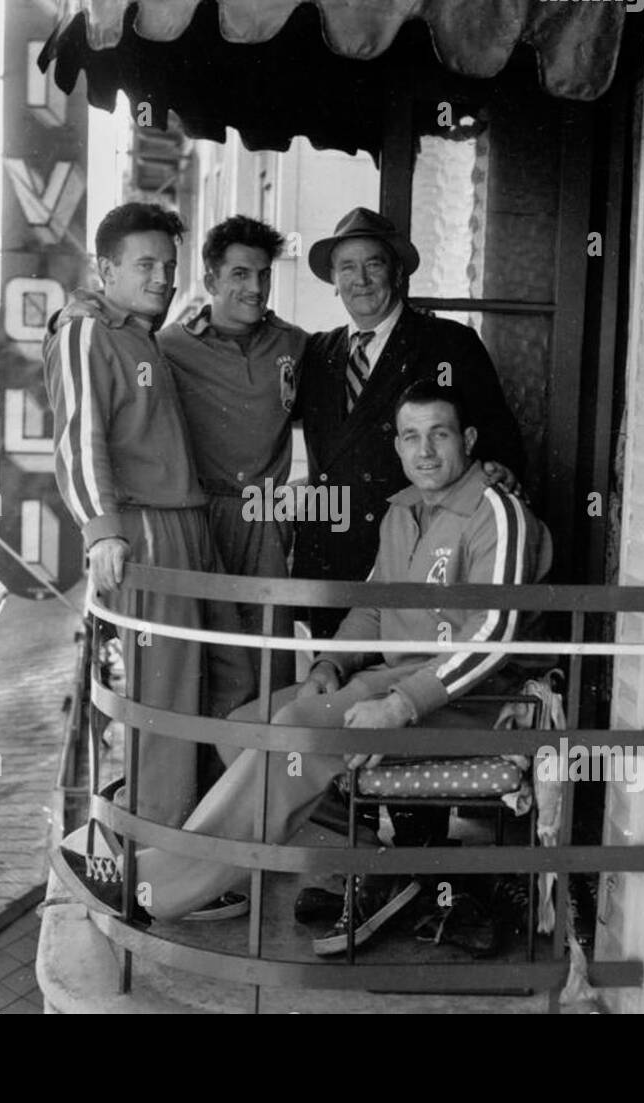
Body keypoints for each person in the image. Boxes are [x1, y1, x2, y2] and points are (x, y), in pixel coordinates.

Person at [52, 380, 553, 954]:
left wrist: (400, 704)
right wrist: (330, 663)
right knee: (242, 730)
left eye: (439, 434)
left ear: (466, 438)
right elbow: (373, 606)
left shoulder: (496, 512)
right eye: (411, 436)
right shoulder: (405, 513)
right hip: (392, 682)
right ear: (398, 446)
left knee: (295, 735)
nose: (426, 451)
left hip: (472, 702)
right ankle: (379, 865)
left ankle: (151, 889)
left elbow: (495, 635)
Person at [293, 206, 531, 852]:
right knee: (338, 734)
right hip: (343, 571)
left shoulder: (450, 344)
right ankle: (364, 860)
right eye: (347, 267)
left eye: (374, 264)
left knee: (402, 723)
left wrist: (495, 489)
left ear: (396, 271)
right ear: (332, 279)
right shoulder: (317, 354)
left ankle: (418, 870)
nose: (361, 279)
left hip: (425, 571)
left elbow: (499, 452)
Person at [42, 202, 255, 919]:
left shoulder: (142, 336)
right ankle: (157, 883)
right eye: (146, 265)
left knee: (230, 685)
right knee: (165, 709)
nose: (162, 277)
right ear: (104, 270)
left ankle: (203, 853)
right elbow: (77, 438)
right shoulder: (85, 332)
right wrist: (102, 529)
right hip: (146, 535)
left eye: (169, 265)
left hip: (190, 529)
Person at [157, 215, 307, 688]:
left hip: (265, 519)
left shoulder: (295, 344)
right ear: (211, 281)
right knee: (204, 659)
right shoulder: (169, 346)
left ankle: (262, 764)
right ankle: (206, 765)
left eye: (264, 274)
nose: (256, 287)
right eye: (240, 274)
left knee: (270, 660)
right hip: (200, 517)